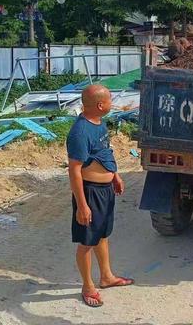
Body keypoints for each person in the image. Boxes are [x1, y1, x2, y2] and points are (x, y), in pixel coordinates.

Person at [67, 84, 134, 307]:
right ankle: (87, 286)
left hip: (105, 191)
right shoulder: (80, 132)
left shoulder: (99, 123)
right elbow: (74, 170)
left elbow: (104, 152)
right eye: (109, 100)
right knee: (87, 242)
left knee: (102, 235)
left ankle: (106, 277)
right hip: (90, 192)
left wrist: (115, 175)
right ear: (99, 104)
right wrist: (82, 206)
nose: (112, 103)